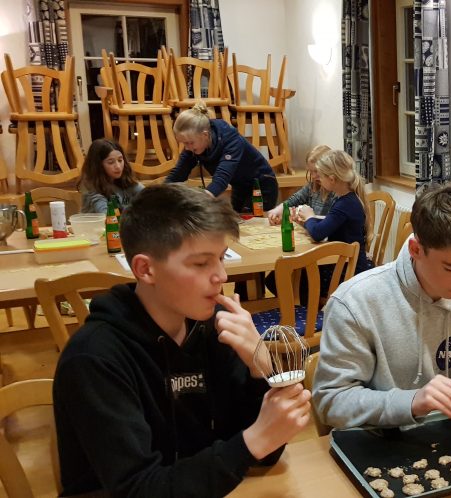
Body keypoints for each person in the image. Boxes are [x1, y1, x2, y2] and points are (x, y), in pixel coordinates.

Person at [53, 183, 311, 497]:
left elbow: (263, 453)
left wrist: (260, 367)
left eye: (221, 258)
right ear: (146, 269)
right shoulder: (94, 358)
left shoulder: (214, 328)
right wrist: (254, 441)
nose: (221, 276)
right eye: (201, 263)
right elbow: (138, 489)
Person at [313, 182, 451, 429]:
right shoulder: (355, 303)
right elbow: (330, 402)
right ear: (415, 249)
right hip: (377, 441)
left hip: (449, 435)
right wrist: (412, 402)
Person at [265, 149, 373, 301]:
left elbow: (318, 233)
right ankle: (307, 309)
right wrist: (306, 221)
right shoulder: (346, 199)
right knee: (278, 277)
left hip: (347, 270)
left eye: (321, 176)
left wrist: (309, 217)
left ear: (332, 179)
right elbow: (327, 225)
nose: (318, 180)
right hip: (341, 262)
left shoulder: (344, 204)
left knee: (280, 278)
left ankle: (310, 312)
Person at [164, 101, 278, 214]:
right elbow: (178, 173)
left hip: (262, 186)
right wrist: (160, 194)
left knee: (252, 223)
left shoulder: (231, 140)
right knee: (239, 220)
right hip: (239, 187)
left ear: (205, 135)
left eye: (189, 143)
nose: (187, 148)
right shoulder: (195, 142)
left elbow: (221, 179)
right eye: (184, 143)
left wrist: (198, 202)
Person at [267, 144, 336, 225]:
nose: (313, 176)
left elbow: (331, 222)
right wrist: (277, 210)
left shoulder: (337, 193)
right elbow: (293, 200)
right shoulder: (311, 187)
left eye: (316, 171)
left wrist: (309, 218)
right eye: (311, 172)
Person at [77, 138, 144, 214]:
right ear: (98, 165)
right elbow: (107, 216)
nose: (118, 166)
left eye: (120, 160)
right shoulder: (92, 188)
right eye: (111, 162)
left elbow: (148, 196)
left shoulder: (125, 181)